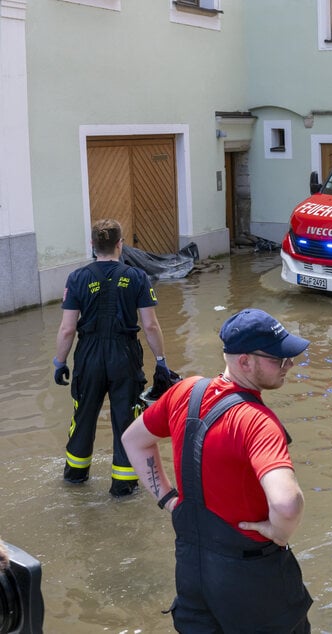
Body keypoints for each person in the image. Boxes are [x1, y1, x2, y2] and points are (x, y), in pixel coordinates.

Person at [121, 308, 313, 633]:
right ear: (244, 362)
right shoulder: (257, 422)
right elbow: (286, 503)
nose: (289, 364)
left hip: (193, 575)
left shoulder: (185, 392)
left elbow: (134, 440)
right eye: (279, 359)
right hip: (253, 584)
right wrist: (280, 532)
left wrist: (168, 499)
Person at [53, 218, 172, 497]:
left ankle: (75, 477)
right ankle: (123, 486)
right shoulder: (137, 277)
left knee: (83, 415)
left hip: (88, 355)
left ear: (93, 245)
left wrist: (60, 362)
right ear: (120, 244)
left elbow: (67, 328)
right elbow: (151, 325)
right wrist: (162, 360)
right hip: (125, 355)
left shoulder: (77, 278)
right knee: (126, 418)